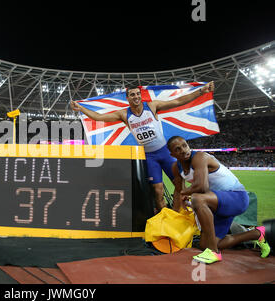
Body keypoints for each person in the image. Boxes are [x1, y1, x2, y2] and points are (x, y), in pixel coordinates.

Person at [71, 82, 214, 213]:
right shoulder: (123, 114)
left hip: (165, 152)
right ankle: (164, 219)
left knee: (179, 184)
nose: (136, 96)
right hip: (149, 157)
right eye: (132, 94)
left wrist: (201, 91)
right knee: (157, 191)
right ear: (127, 98)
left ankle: (184, 213)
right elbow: (98, 117)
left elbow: (177, 101)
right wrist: (81, 108)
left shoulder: (151, 106)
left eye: (138, 94)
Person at [167, 136, 270, 264]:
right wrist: (175, 215)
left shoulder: (200, 157)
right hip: (217, 203)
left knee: (198, 199)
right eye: (178, 149)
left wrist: (185, 193)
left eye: (185, 145)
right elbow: (179, 191)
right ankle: (257, 234)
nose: (183, 150)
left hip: (237, 197)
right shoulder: (176, 168)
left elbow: (201, 186)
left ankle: (214, 252)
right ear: (172, 154)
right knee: (205, 244)